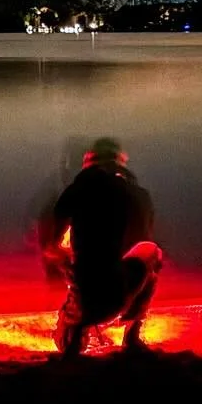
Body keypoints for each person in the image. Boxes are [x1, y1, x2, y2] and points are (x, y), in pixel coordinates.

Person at [36, 136, 163, 357]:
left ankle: (76, 329)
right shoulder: (135, 194)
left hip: (85, 303)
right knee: (153, 253)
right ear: (120, 162)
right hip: (119, 294)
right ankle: (132, 334)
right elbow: (142, 240)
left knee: (74, 263)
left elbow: (51, 246)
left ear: (87, 161)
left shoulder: (77, 190)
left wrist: (67, 264)